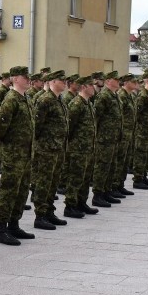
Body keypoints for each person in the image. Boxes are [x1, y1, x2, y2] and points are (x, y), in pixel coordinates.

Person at [0, 65, 36, 243]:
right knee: (9, 191)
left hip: (26, 154)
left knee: (22, 190)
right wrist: (8, 146)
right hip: (13, 154)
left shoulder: (26, 98)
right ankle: (2, 229)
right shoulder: (10, 99)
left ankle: (14, 224)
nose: (28, 80)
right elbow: (1, 128)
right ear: (15, 79)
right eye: (24, 77)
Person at [31, 70, 69, 229]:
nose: (65, 83)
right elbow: (37, 126)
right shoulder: (45, 100)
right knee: (44, 182)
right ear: (52, 81)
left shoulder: (59, 99)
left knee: (53, 182)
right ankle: (40, 215)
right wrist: (41, 145)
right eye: (62, 80)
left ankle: (49, 211)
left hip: (58, 148)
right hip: (46, 149)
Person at [63, 77, 97, 217]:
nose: (93, 88)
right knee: (76, 177)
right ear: (83, 87)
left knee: (85, 177)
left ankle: (81, 202)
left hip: (88, 148)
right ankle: (70, 206)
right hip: (77, 148)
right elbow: (69, 127)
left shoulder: (87, 103)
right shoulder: (76, 104)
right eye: (91, 85)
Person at [91, 71, 123, 206]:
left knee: (111, 166)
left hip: (113, 138)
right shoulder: (103, 96)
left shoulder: (115, 96)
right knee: (102, 166)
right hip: (104, 139)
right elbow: (96, 118)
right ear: (108, 81)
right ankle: (98, 195)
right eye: (116, 79)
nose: (118, 81)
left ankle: (106, 191)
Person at [114, 73, 138, 195]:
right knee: (119, 161)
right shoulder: (121, 96)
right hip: (122, 134)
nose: (136, 83)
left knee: (125, 161)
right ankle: (115, 185)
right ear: (126, 83)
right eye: (133, 82)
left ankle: (120, 185)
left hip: (130, 134)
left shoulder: (131, 96)